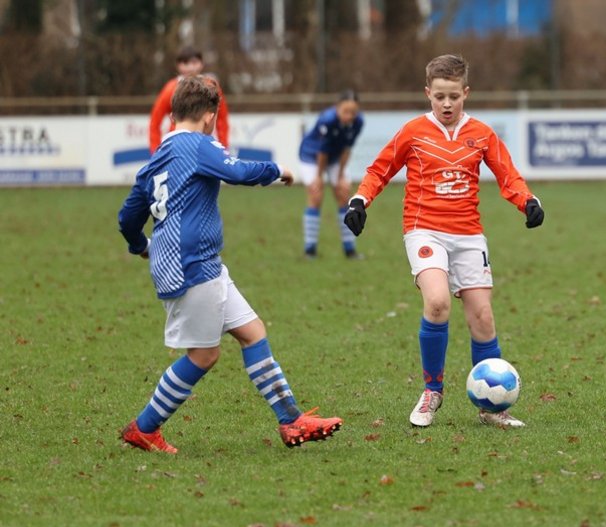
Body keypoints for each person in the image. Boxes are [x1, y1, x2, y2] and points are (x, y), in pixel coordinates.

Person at [118, 76, 342, 453]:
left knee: (253, 332)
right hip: (191, 264)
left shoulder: (156, 159)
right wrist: (278, 170)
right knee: (204, 355)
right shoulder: (199, 144)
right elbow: (237, 172)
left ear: (172, 115)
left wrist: (142, 246)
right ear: (210, 116)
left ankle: (291, 420)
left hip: (197, 263)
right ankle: (144, 428)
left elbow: (127, 218)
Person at [343, 54, 544, 429]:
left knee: (482, 317)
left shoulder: (482, 134)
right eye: (439, 97)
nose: (447, 104)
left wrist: (527, 201)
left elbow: (508, 176)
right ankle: (432, 391)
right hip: (424, 229)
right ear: (428, 94)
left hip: (468, 234)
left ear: (466, 92)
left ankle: (491, 408)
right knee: (437, 303)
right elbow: (379, 170)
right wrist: (359, 201)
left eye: (453, 96)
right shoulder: (413, 132)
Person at [298, 90, 365, 259]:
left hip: (335, 159)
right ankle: (310, 250)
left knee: (343, 194)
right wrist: (318, 177)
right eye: (345, 111)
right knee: (316, 195)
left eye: (353, 112)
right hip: (311, 157)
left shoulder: (358, 122)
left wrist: (341, 176)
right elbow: (322, 152)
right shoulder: (327, 120)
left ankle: (350, 250)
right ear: (337, 108)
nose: (349, 116)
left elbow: (347, 149)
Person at [149, 46, 230, 155]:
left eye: (194, 62)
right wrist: (156, 152)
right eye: (185, 63)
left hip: (205, 144)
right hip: (178, 146)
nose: (190, 67)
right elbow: (155, 121)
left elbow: (222, 119)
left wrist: (224, 148)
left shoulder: (211, 86)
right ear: (178, 65)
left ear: (201, 63)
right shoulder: (170, 89)